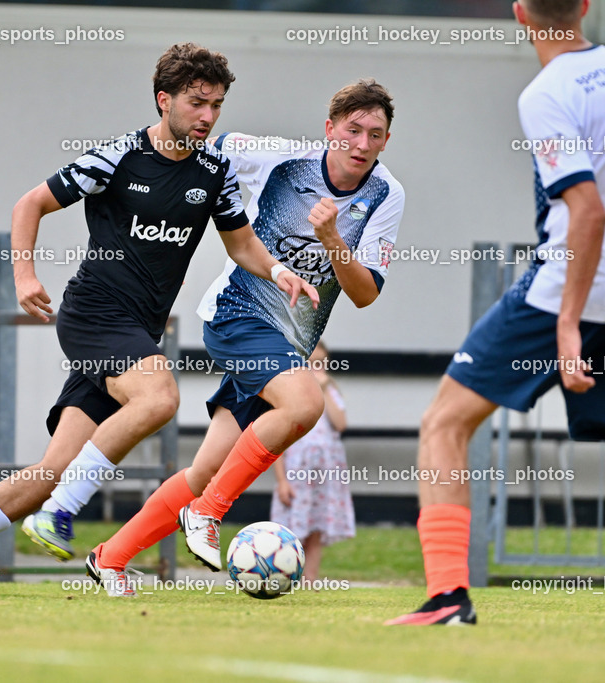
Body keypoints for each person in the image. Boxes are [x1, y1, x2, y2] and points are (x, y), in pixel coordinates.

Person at [0, 42, 319, 596]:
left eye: (216, 105)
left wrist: (278, 271)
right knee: (159, 397)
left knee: (51, 469)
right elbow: (30, 204)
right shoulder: (117, 157)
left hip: (134, 333)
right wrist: (25, 276)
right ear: (163, 99)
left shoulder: (215, 171)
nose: (208, 116)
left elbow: (241, 245)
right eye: (197, 102)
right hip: (94, 314)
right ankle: (61, 514)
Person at [90, 79, 404, 596]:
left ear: (386, 141)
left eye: (376, 134)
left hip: (288, 345)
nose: (362, 145)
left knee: (207, 468)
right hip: (238, 314)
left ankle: (110, 557)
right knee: (306, 401)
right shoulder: (281, 160)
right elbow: (196, 150)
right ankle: (208, 516)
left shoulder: (386, 193)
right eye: (352, 131)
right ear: (330, 130)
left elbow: (366, 292)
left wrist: (331, 240)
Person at [386, 0, 605, 626]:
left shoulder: (546, 93)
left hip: (564, 292)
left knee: (444, 423)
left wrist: (567, 324)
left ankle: (449, 597)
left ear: (520, 14)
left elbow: (587, 212)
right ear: (586, 6)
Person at [270, 341, 355, 585]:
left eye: (322, 363)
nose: (318, 369)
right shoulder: (291, 396)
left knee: (316, 529)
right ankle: (283, 578)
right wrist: (282, 481)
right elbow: (278, 443)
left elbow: (340, 424)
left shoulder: (331, 392)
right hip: (297, 473)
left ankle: (311, 580)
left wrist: (326, 390)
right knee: (292, 529)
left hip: (325, 475)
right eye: (312, 364)